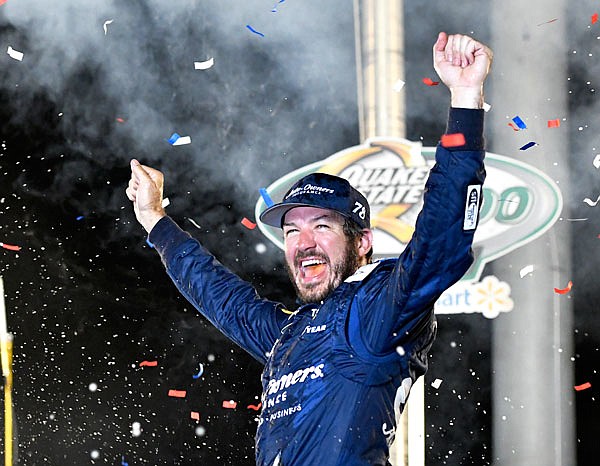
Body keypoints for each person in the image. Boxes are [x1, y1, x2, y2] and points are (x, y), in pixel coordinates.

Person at [126, 31, 492, 466]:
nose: (303, 243)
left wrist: (466, 99)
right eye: (292, 231)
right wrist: (154, 220)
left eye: (321, 226)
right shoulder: (288, 334)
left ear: (362, 242)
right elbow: (220, 296)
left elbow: (441, 239)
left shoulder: (376, 311)